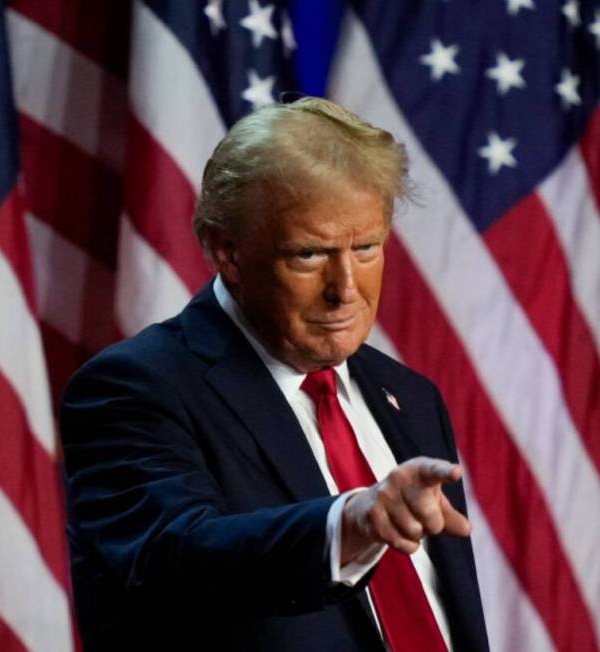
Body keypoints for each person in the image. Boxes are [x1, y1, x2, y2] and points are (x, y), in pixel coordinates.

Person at [60, 97, 489, 651]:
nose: (346, 289)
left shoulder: (410, 396)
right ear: (228, 253)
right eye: (309, 255)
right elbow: (179, 557)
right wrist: (349, 524)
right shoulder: (133, 389)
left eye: (366, 248)